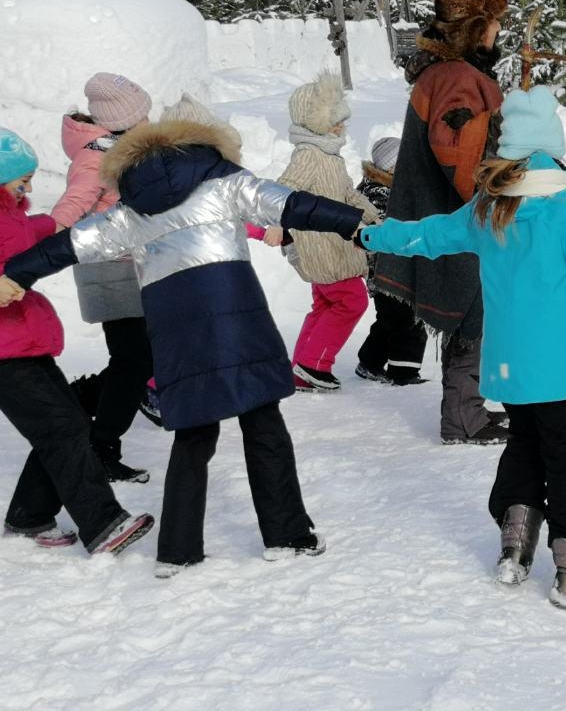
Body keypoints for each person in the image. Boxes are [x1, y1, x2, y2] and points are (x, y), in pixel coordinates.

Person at [359, 86, 566, 608]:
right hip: (553, 365)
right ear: (551, 147)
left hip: (504, 365)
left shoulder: (490, 206)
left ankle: (514, 550)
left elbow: (426, 236)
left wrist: (373, 236)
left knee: (524, 444)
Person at [0, 116, 367, 578]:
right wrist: (353, 222)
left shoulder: (130, 208)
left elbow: (69, 246)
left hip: (174, 328)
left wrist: (15, 275)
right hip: (236, 316)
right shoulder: (221, 178)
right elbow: (292, 205)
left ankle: (177, 550)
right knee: (262, 422)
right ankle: (288, 535)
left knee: (194, 432)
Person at [0, 127, 153, 556]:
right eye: (20, 179)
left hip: (22, 344)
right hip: (4, 355)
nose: (27, 187)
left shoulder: (9, 215)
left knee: (67, 423)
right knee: (62, 429)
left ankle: (29, 514)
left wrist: (60, 222)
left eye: (30, 179)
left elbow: (28, 232)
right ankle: (103, 524)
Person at [372, 0, 510, 445]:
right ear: (475, 27)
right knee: (470, 315)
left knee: (469, 316)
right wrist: (498, 199)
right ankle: (463, 419)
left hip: (444, 215)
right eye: (492, 22)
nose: (497, 31)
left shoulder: (445, 72)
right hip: (458, 220)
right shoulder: (458, 78)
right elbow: (458, 154)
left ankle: (467, 409)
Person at [50, 72, 155, 483]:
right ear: (121, 121)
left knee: (139, 357)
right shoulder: (95, 156)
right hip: (109, 268)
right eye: (142, 116)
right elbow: (71, 206)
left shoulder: (121, 148)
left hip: (133, 265)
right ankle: (102, 447)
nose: (148, 122)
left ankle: (77, 400)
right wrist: (35, 253)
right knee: (133, 361)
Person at [275, 74, 379, 392]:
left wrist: (372, 215)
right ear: (317, 122)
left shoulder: (329, 157)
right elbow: (281, 193)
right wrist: (280, 227)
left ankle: (301, 366)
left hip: (333, 243)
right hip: (322, 246)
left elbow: (346, 194)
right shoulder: (308, 155)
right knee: (352, 300)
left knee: (325, 304)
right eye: (335, 121)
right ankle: (313, 365)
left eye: (342, 121)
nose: (341, 127)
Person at [354, 136, 429, 386]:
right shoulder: (378, 193)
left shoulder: (388, 189)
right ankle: (404, 372)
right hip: (387, 271)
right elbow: (388, 229)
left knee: (390, 320)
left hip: (392, 270)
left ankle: (369, 362)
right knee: (407, 319)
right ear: (389, 168)